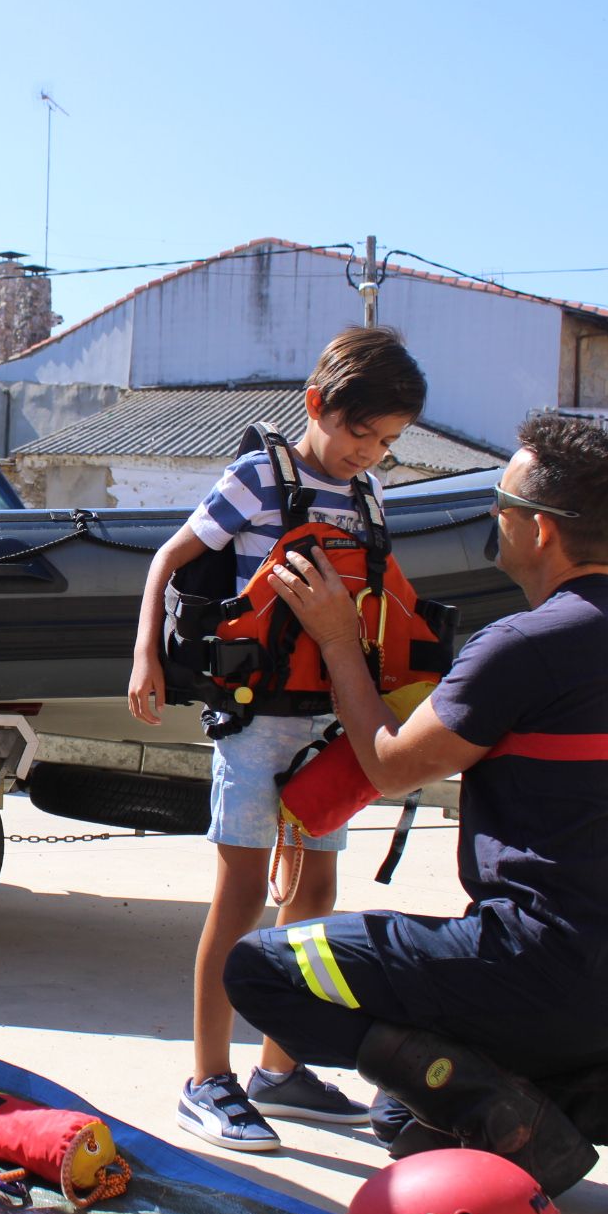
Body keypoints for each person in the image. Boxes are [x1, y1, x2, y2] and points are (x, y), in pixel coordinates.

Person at [224, 415, 608, 1214]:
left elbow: (388, 763)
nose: (493, 515)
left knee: (258, 967)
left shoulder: (527, 644)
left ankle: (527, 1127)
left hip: (536, 973)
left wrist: (339, 639)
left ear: (535, 527)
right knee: (403, 1110)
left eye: (500, 500)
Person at [126, 326, 428, 1151]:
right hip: (257, 726)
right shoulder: (262, 477)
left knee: (317, 901)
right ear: (315, 405)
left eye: (388, 441)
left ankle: (280, 1070)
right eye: (359, 433)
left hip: (333, 732)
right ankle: (207, 1079)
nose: (369, 452)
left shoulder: (367, 500)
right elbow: (170, 556)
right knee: (241, 900)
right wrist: (146, 651)